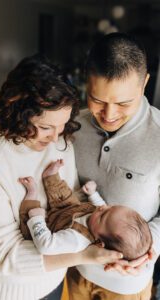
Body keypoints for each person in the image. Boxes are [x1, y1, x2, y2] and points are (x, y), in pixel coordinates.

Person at [0, 55, 122, 300]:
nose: (56, 138)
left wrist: (99, 216)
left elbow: (71, 197)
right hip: (0, 291)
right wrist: (81, 256)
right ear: (16, 112)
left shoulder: (60, 142)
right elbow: (2, 254)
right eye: (46, 127)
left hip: (51, 282)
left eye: (63, 125)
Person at [67, 32, 160, 300]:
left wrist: (148, 246)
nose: (109, 115)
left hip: (128, 285)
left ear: (144, 83)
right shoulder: (71, 126)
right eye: (97, 100)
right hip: (75, 271)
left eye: (123, 103)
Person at [18, 159, 152, 261]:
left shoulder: (77, 240)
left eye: (103, 215)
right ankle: (50, 176)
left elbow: (45, 246)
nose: (102, 207)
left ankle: (31, 193)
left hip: (49, 225)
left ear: (99, 243)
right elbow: (103, 206)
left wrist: (37, 220)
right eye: (111, 207)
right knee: (67, 197)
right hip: (70, 209)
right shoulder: (103, 215)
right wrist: (92, 194)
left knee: (30, 215)